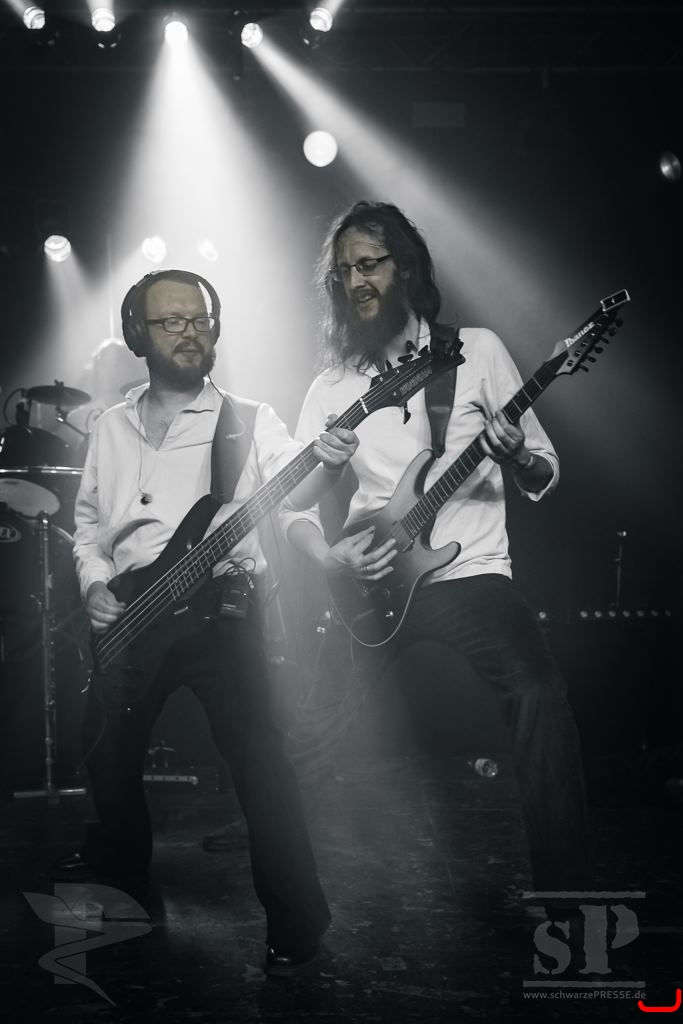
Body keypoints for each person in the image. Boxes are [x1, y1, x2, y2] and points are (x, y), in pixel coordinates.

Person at [279, 201, 590, 910]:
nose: (356, 281)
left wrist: (516, 456)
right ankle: (276, 860)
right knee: (313, 728)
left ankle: (567, 894)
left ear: (407, 267)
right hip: (373, 574)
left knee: (539, 693)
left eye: (370, 264)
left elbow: (543, 468)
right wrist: (329, 550)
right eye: (343, 271)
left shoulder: (475, 351)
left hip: (470, 572)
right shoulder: (332, 386)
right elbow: (291, 503)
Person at [52, 268, 360, 977]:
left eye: (199, 319)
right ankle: (123, 875)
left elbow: (296, 490)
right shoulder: (110, 426)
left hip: (222, 610)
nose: (189, 332)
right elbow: (89, 526)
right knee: (106, 751)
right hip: (130, 611)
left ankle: (298, 923)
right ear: (138, 335)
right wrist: (95, 585)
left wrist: (328, 464)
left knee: (260, 759)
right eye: (171, 321)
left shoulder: (248, 419)